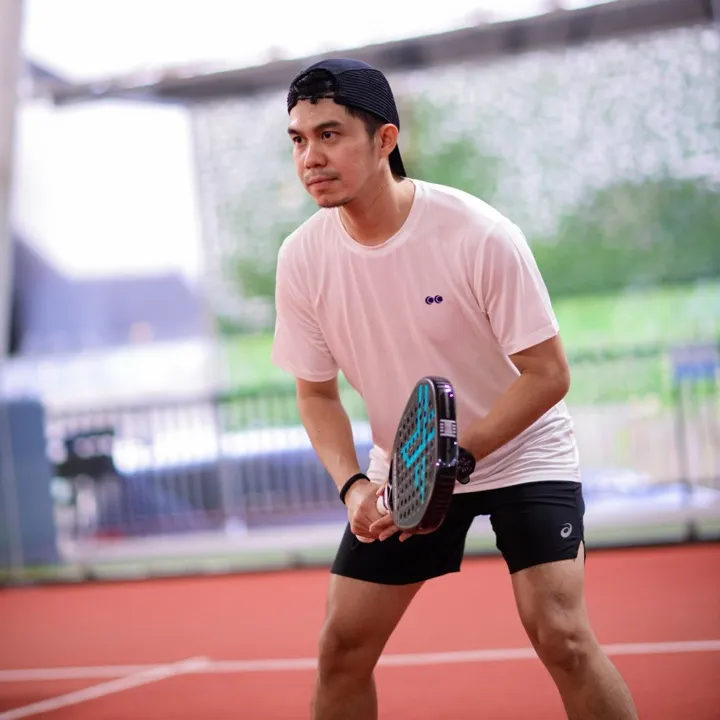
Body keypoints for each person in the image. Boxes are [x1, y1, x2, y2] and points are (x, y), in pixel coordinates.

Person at [271, 58, 638, 720]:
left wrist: (456, 457)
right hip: (407, 465)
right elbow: (316, 395)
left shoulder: (478, 233)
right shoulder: (301, 258)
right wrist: (353, 487)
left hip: (521, 452)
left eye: (329, 135)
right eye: (298, 139)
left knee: (562, 636)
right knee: (342, 649)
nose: (310, 157)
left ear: (384, 140)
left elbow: (549, 374)